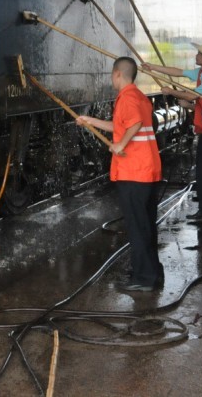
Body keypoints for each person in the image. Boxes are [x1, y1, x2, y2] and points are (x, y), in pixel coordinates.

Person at [77, 56, 163, 292]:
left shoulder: (126, 97)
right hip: (146, 170)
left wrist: (121, 145)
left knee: (137, 226)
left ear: (117, 74)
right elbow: (122, 125)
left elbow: (132, 125)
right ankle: (150, 272)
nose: (111, 79)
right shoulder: (139, 96)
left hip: (134, 171)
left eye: (111, 75)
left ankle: (144, 278)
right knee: (146, 224)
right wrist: (90, 121)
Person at [143, 39, 202, 226]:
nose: (196, 55)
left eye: (199, 53)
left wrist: (171, 92)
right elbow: (177, 72)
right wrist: (151, 67)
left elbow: (192, 95)